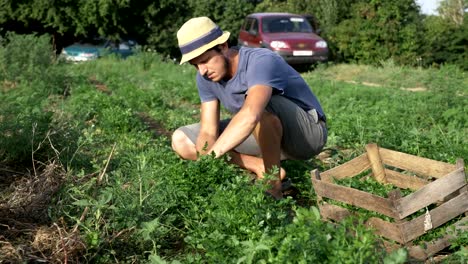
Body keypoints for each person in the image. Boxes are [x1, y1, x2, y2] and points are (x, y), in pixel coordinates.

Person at [171, 17, 327, 199]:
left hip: (306, 134)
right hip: (264, 131)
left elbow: (252, 114)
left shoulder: (260, 60)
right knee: (182, 140)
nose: (202, 70)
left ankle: (273, 187)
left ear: (223, 46)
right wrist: (206, 161)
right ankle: (258, 166)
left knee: (259, 108)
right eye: (195, 65)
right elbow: (207, 130)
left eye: (205, 60)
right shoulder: (205, 78)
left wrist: (212, 156)